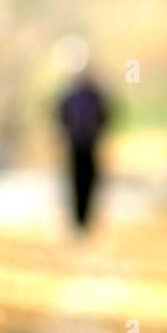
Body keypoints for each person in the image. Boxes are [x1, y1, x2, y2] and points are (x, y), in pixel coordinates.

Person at [56, 68, 110, 231]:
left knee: (90, 180)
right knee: (76, 181)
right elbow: (61, 115)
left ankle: (86, 218)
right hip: (75, 143)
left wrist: (98, 131)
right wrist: (67, 132)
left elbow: (105, 115)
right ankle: (77, 219)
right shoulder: (70, 96)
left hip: (91, 143)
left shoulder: (95, 96)